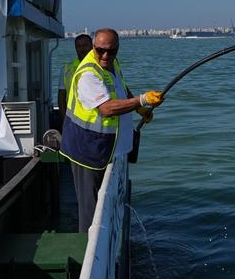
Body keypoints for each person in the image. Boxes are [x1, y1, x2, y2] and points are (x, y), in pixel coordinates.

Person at [61, 28, 163, 232]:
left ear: (117, 49)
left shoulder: (112, 63)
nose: (105, 55)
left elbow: (121, 88)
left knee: (105, 201)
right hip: (88, 152)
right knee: (90, 210)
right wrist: (141, 100)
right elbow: (106, 109)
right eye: (100, 51)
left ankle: (108, 236)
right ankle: (89, 253)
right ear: (93, 47)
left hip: (109, 150)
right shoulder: (88, 73)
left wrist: (140, 109)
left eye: (111, 51)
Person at [58, 34, 94, 114]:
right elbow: (61, 97)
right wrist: (64, 120)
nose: (82, 49)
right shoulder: (66, 69)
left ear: (92, 47)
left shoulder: (101, 66)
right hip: (74, 118)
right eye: (78, 46)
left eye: (85, 45)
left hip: (96, 118)